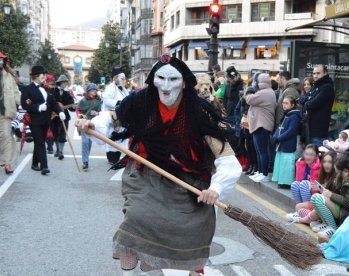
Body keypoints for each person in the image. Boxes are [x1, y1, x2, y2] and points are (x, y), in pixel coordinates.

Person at [76, 55, 242, 275]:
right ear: (153, 80)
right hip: (145, 174)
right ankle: (129, 267)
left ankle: (193, 268)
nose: (165, 86)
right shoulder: (141, 102)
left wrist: (216, 188)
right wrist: (91, 124)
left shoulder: (197, 111)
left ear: (184, 82)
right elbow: (112, 117)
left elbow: (226, 157)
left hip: (187, 180)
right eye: (160, 78)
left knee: (193, 225)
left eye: (172, 79)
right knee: (138, 216)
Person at [310, 152, 349, 241]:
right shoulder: (342, 176)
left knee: (317, 198)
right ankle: (326, 224)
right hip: (342, 209)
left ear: (342, 167)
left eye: (336, 163)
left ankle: (333, 227)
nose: (334, 166)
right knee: (317, 197)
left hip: (347, 213)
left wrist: (331, 195)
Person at [21, 65, 65, 175]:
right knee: (40, 143)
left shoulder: (46, 88)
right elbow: (24, 105)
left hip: (46, 121)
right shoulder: (27, 89)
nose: (45, 76)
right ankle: (44, 166)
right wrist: (38, 107)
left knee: (39, 142)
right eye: (43, 74)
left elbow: (53, 103)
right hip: (35, 121)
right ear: (36, 76)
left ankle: (34, 163)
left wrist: (60, 112)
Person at [245, 73, 276, 182]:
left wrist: (248, 91)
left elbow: (249, 100)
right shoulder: (266, 92)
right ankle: (260, 172)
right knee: (259, 151)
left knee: (262, 151)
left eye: (256, 81)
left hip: (262, 125)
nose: (255, 84)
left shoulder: (266, 93)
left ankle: (264, 174)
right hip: (259, 125)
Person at [293, 151, 338, 226]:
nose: (326, 164)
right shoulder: (323, 174)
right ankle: (314, 219)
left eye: (330, 162)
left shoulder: (336, 176)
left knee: (312, 211)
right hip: (319, 202)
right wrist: (316, 188)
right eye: (324, 162)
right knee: (298, 207)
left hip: (329, 205)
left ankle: (311, 219)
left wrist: (323, 190)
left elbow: (335, 196)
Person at [299, 65, 335, 146]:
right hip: (309, 129)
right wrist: (308, 100)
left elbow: (313, 104)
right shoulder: (315, 85)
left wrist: (307, 102)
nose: (315, 76)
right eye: (314, 73)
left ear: (325, 73)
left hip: (318, 131)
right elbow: (301, 99)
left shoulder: (327, 87)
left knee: (316, 156)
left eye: (318, 73)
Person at [271, 95, 301, 187]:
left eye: (286, 103)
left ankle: (286, 182)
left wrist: (279, 138)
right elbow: (279, 127)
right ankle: (280, 180)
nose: (284, 105)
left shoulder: (294, 116)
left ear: (292, 105)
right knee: (281, 162)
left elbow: (291, 131)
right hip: (281, 144)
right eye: (283, 103)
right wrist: (275, 136)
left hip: (288, 144)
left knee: (287, 163)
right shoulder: (286, 114)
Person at [286, 144, 321, 222]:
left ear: (316, 156)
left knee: (304, 183)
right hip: (304, 191)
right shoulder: (301, 164)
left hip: (315, 196)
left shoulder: (319, 167)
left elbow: (318, 187)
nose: (308, 157)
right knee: (295, 184)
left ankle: (305, 212)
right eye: (306, 154)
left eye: (311, 155)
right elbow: (298, 181)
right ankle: (300, 211)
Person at [102, 66, 129, 164]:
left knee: (119, 138)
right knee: (111, 137)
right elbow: (106, 100)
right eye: (122, 78)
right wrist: (119, 103)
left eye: (124, 78)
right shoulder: (110, 88)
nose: (124, 80)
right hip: (112, 117)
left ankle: (116, 157)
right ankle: (111, 158)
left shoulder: (123, 89)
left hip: (120, 117)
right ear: (115, 78)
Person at [76, 83, 102, 170]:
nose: (95, 91)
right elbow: (78, 110)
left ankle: (86, 158)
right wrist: (80, 116)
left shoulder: (98, 101)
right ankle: (85, 161)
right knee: (85, 142)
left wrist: (97, 113)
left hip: (94, 123)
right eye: (92, 90)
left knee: (89, 142)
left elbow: (102, 112)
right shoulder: (83, 100)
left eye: (95, 90)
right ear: (88, 91)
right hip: (84, 122)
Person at [51, 74, 75, 160]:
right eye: (64, 82)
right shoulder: (52, 91)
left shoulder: (67, 93)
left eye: (66, 82)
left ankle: (61, 151)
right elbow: (50, 102)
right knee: (55, 134)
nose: (66, 84)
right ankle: (57, 149)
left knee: (63, 134)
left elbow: (71, 107)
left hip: (64, 117)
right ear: (60, 83)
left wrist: (73, 107)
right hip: (54, 117)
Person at [223, 66, 243, 132]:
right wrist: (225, 108)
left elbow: (239, 96)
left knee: (237, 131)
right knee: (229, 129)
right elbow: (225, 98)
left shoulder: (240, 84)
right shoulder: (227, 85)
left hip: (237, 112)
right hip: (229, 111)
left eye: (229, 78)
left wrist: (235, 82)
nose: (229, 80)